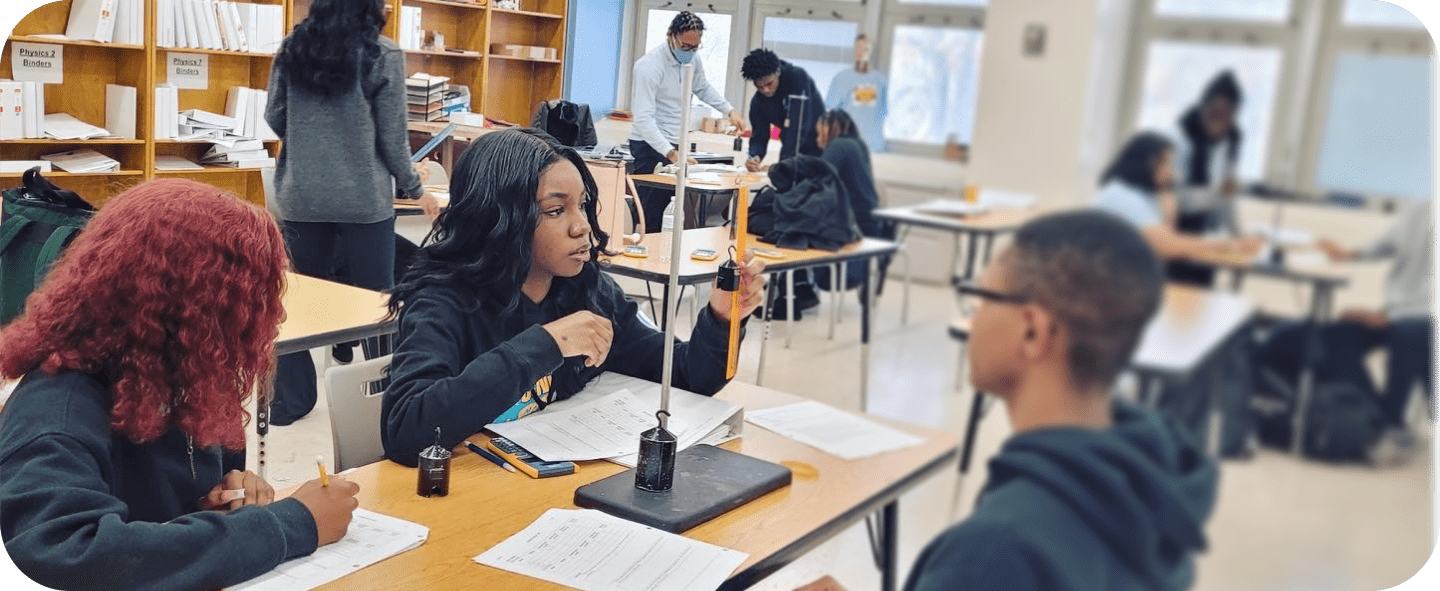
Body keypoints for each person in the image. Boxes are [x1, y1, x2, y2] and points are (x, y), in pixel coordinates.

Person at [796, 210, 1217, 591]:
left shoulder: (997, 551)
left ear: (1033, 331)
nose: (973, 319)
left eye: (982, 299)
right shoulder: (1153, 478)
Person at [0, 179, 361, 591]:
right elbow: (67, 556)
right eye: (247, 301)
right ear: (189, 308)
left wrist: (215, 504)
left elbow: (161, 515)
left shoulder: (182, 377)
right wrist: (289, 525)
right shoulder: (57, 411)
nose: (272, 317)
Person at [381, 128, 766, 464]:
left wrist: (721, 319)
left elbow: (683, 376)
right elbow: (406, 430)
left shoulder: (589, 291)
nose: (581, 226)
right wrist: (547, 344)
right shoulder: (443, 302)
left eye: (581, 205)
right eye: (555, 210)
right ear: (498, 218)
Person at [265, 0, 438, 425]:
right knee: (378, 303)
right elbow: (393, 139)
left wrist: (312, 135)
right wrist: (417, 189)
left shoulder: (292, 47)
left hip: (302, 195)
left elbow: (275, 116)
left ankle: (291, 401)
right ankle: (384, 397)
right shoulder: (382, 53)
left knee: (294, 297)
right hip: (364, 200)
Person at [1092, 132, 1264, 457]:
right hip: (1113, 294)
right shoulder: (1119, 196)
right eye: (1167, 163)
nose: (1173, 171)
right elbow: (1169, 247)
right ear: (1147, 162)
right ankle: (1185, 431)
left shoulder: (1144, 196)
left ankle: (1189, 429)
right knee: (1204, 332)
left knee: (1219, 328)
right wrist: (1231, 245)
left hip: (1136, 288)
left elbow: (1166, 243)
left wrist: (1167, 201)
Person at [1254, 198, 1437, 456]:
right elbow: (1387, 244)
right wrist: (1348, 254)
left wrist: (1392, 316)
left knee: (1411, 334)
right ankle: (1366, 414)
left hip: (1421, 317)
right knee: (1339, 335)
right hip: (1403, 311)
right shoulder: (1423, 208)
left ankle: (1389, 423)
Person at [629, 11, 747, 232]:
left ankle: (667, 250)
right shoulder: (649, 66)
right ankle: (648, 249)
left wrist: (729, 110)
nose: (689, 52)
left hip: (675, 142)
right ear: (671, 36)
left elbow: (702, 87)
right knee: (651, 213)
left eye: (695, 47)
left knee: (671, 210)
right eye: (685, 46)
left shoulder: (692, 58)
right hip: (650, 145)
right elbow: (643, 119)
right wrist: (670, 153)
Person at [1167, 71, 1244, 286]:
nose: (1219, 122)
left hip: (1208, 238)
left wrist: (1238, 239)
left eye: (1227, 116)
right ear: (1204, 107)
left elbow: (1227, 197)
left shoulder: (1232, 140)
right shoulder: (1180, 137)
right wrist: (1218, 194)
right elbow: (1178, 201)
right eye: (1215, 113)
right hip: (1178, 238)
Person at [809, 109, 889, 295]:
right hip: (870, 223)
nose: (818, 139)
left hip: (852, 226)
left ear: (832, 128)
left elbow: (816, 177)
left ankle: (799, 290)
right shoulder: (858, 144)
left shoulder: (838, 146)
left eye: (820, 134)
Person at [742, 48, 825, 172]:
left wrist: (782, 166)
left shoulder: (797, 78)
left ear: (777, 72)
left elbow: (798, 128)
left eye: (769, 84)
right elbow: (759, 136)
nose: (765, 90)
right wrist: (755, 156)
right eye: (759, 87)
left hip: (820, 145)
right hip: (791, 147)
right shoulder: (758, 102)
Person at [825, 34, 888, 153]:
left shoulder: (880, 81)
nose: (861, 52)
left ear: (872, 52)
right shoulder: (841, 78)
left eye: (865, 49)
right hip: (846, 143)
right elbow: (831, 111)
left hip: (872, 146)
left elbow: (882, 113)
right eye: (858, 48)